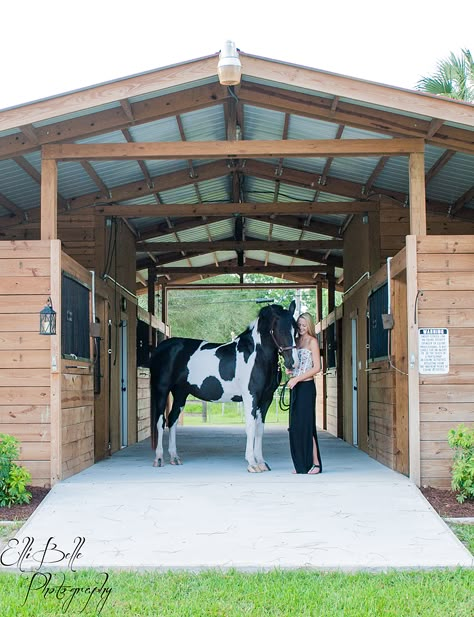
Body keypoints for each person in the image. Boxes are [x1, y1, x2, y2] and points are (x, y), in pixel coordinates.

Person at [287, 312, 323, 474]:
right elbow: (298, 364)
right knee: (295, 427)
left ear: (309, 325)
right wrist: (291, 372)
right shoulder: (296, 341)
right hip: (296, 386)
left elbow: (316, 367)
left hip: (307, 387)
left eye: (304, 325)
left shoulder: (312, 341)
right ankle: (301, 464)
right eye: (299, 325)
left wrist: (298, 378)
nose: (301, 328)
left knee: (306, 426)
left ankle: (315, 463)